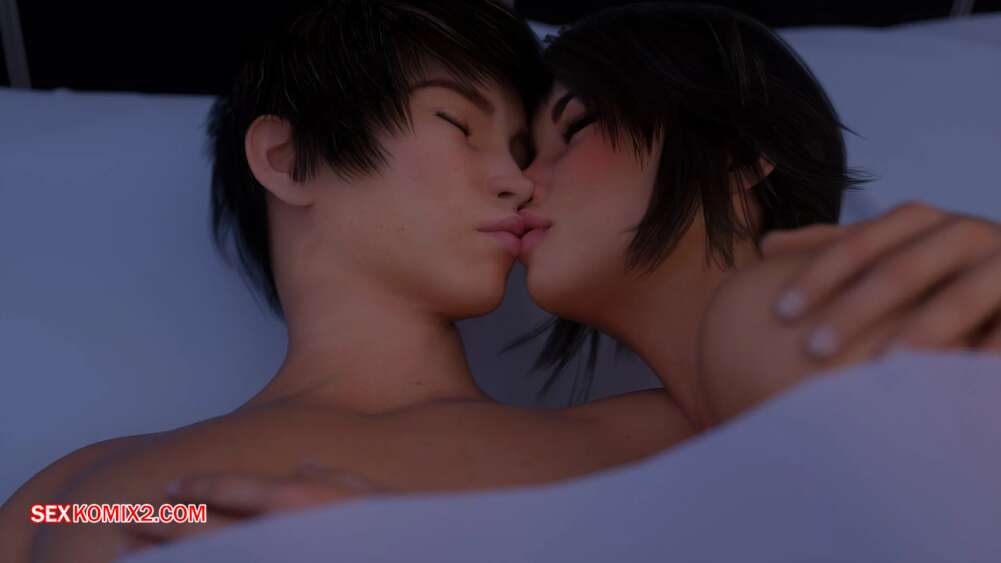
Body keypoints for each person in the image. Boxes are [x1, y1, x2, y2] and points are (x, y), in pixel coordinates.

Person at [4, 2, 1001, 560]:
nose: (521, 179)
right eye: (456, 124)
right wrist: (172, 515)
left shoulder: (662, 428)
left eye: (536, 145)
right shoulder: (87, 483)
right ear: (290, 158)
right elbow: (78, 518)